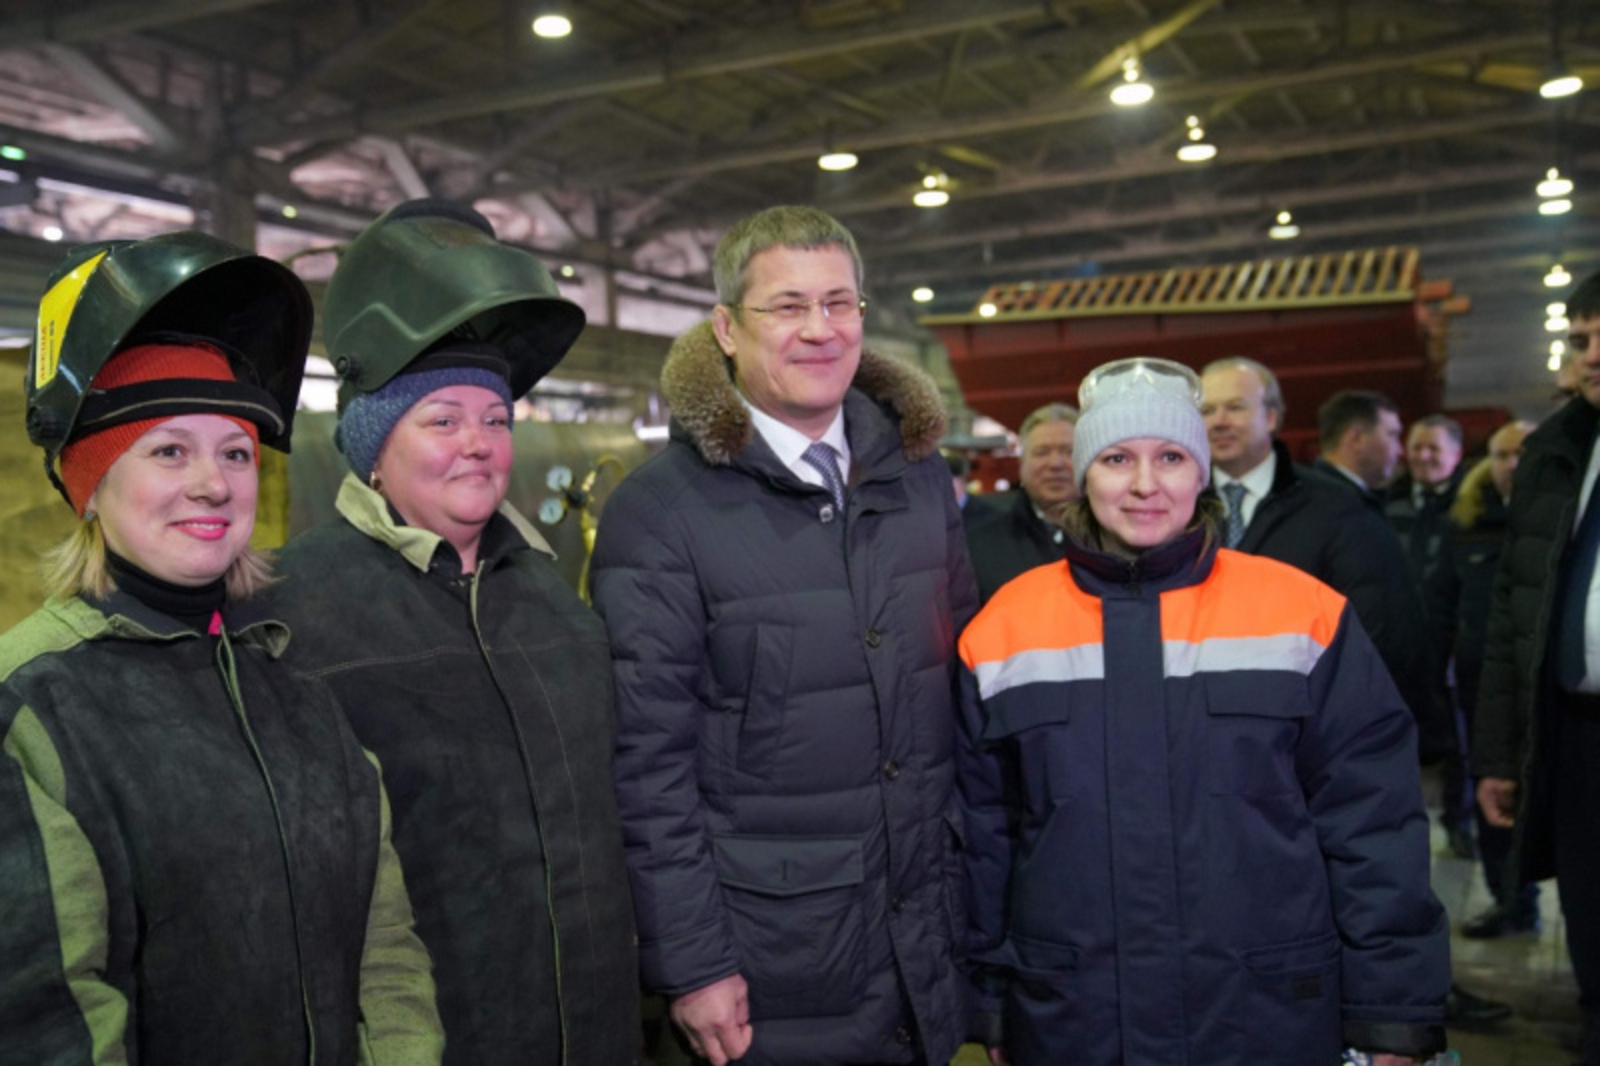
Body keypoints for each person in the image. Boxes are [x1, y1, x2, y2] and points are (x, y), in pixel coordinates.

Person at [0, 232, 442, 1062]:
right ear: (93, 483)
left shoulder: (297, 697)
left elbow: (384, 950)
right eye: (170, 450)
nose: (213, 483)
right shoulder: (30, 707)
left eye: (235, 453)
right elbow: (44, 1021)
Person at [958, 356, 1449, 1066]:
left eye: (1171, 457)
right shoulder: (1006, 626)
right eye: (1117, 458)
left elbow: (1373, 819)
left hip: (1264, 1010)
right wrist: (989, 1000)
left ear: (1202, 473)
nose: (1145, 484)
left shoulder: (1301, 613)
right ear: (1086, 473)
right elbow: (982, 835)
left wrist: (1390, 1010)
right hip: (1074, 1013)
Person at [590, 205, 976, 1066]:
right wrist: (692, 963)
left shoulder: (918, 482)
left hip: (923, 942)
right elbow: (645, 764)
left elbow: (960, 704)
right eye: (787, 306)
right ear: (727, 329)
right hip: (773, 961)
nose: (820, 329)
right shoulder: (660, 513)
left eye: (839, 303)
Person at [268, 199, 638, 1065]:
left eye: (496, 420)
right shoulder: (292, 615)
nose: (478, 443)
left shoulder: (556, 608)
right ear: (374, 447)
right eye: (442, 420)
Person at [1199, 359, 1452, 764]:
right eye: (1207, 410)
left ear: (1272, 416)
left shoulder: (1336, 508)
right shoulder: (1169, 510)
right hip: (1204, 742)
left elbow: (1379, 635)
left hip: (1309, 742)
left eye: (1235, 407)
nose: (1219, 421)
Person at [1477, 269, 1600, 1065]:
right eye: (1580, 339)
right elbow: (1512, 616)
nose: (1588, 356)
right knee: (1590, 911)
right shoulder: (1557, 454)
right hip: (1578, 731)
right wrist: (1498, 753)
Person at [1428, 421, 1541, 939]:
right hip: (1483, 688)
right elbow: (1440, 606)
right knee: (1493, 789)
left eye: (1523, 453)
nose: (1512, 464)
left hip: (1550, 688)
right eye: (1501, 454)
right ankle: (1511, 900)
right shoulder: (1468, 524)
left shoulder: (1564, 518)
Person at [1384, 415, 1472, 858]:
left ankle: (1461, 824)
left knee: (1459, 739)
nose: (1422, 456)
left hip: (1452, 644)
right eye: (1416, 447)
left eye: (1433, 448)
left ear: (1457, 454)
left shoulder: (1472, 508)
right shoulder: (1387, 504)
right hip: (1397, 647)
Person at [966, 402, 1078, 602]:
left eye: (1068, 451)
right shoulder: (977, 547)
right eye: (1042, 452)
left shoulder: (1118, 541)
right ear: (1021, 463)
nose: (1055, 463)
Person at [1315, 389, 1406, 502]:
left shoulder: (1315, 493)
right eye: (1392, 435)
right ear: (1356, 439)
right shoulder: (1334, 503)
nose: (1400, 451)